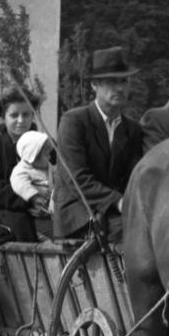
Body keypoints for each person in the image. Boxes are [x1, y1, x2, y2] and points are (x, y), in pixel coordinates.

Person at [53, 47, 145, 243]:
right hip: (78, 214)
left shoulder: (133, 130)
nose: (119, 88)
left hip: (114, 214)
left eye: (124, 81)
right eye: (111, 81)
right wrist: (119, 202)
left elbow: (133, 176)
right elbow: (77, 179)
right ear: (94, 84)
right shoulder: (74, 121)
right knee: (138, 233)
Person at [0, 86, 44, 241]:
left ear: (32, 116)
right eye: (14, 115)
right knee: (21, 225)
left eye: (26, 114)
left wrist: (47, 204)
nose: (21, 120)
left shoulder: (45, 146)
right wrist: (31, 200)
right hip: (6, 217)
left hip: (44, 214)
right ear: (3, 117)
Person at [7, 128, 55, 222]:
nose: (49, 157)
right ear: (32, 157)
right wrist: (34, 196)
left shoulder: (46, 165)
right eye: (46, 155)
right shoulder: (21, 170)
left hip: (50, 200)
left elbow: (55, 173)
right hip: (37, 205)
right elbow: (20, 184)